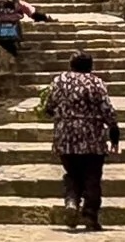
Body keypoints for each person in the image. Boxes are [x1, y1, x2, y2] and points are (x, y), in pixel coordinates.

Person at [47, 50, 119, 231]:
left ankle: (71, 201)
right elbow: (107, 110)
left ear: (71, 65)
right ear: (90, 67)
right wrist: (114, 133)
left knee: (72, 173)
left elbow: (48, 106)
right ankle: (89, 214)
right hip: (91, 138)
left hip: (65, 137)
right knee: (92, 176)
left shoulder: (59, 81)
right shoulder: (96, 83)